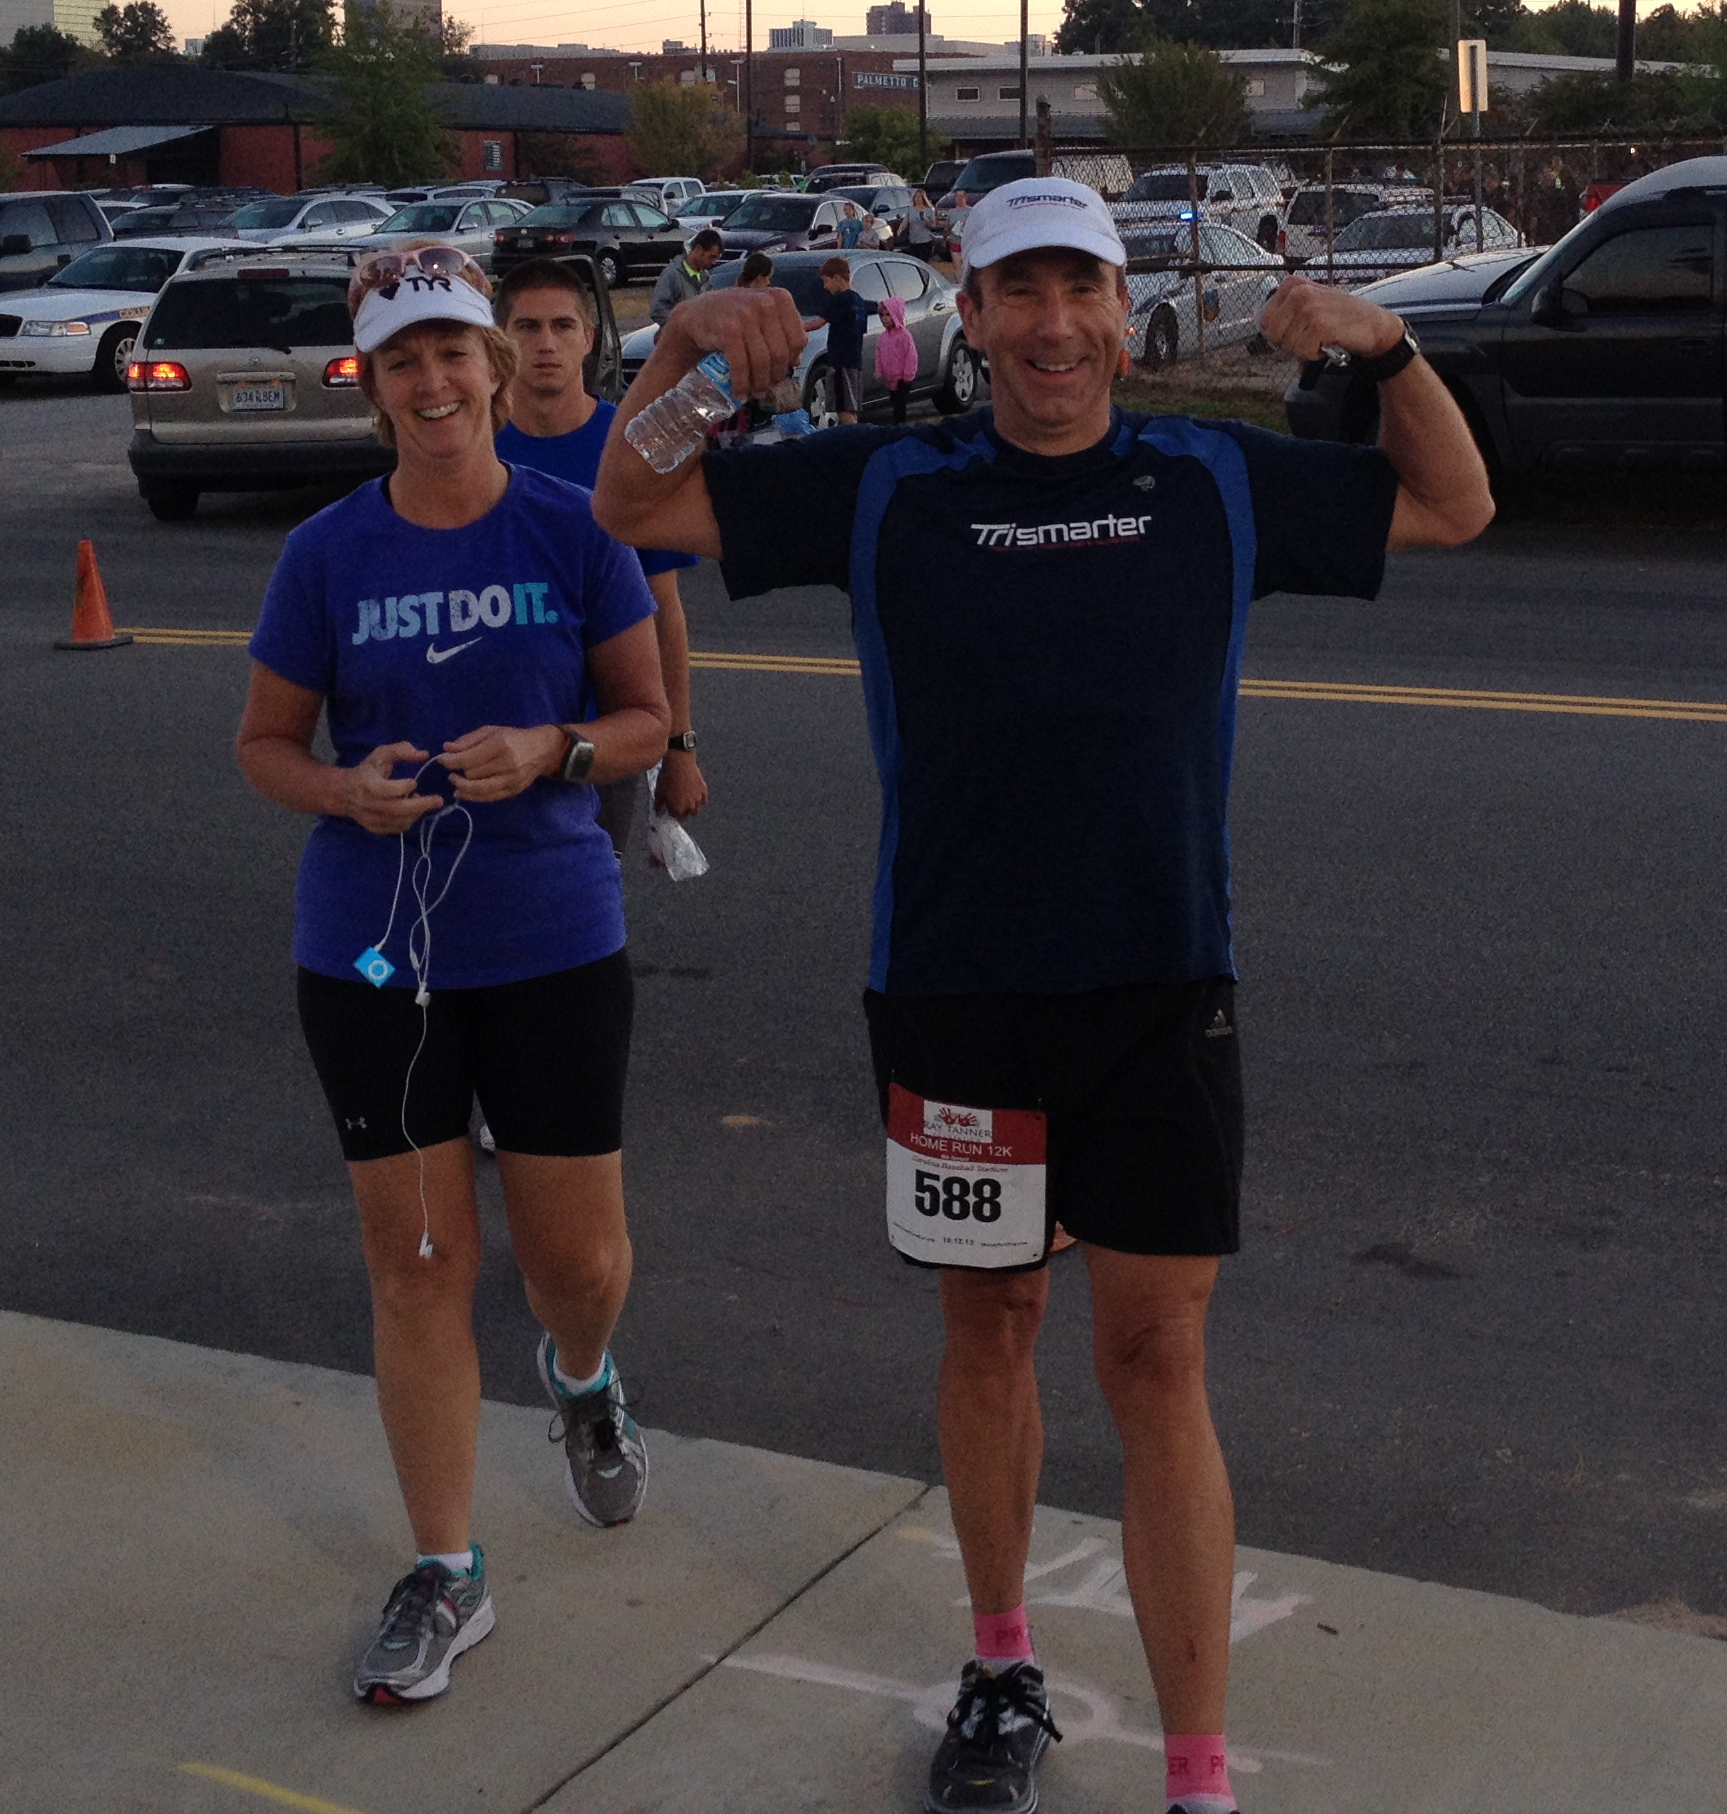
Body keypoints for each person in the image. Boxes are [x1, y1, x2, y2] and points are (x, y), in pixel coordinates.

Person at [594, 178, 1493, 1814]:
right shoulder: (890, 483)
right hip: (955, 992)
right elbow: (633, 504)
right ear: (976, 308)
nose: (1053, 324)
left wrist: (1386, 348)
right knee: (990, 1327)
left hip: (1160, 988)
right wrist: (686, 351)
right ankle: (1002, 1665)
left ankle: (1199, 1779)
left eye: (1081, 287)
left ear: (1120, 313)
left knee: (1156, 1360)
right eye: (1019, 290)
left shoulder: (1209, 478)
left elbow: (1453, 501)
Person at [236, 242, 673, 1709]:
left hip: (551, 939)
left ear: (496, 368)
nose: (431, 383)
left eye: (451, 354)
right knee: (418, 1267)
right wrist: (340, 790)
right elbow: (265, 744)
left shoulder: (575, 529)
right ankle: (446, 1567)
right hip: (377, 954)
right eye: (401, 361)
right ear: (373, 387)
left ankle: (584, 1378)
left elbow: (645, 716)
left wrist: (555, 748)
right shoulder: (328, 553)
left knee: (577, 1268)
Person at [495, 257, 708, 831]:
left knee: (591, 882)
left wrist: (679, 747)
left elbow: (664, 611)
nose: (546, 343)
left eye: (563, 326)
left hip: (601, 742)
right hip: (486, 734)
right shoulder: (472, 450)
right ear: (499, 341)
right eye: (527, 327)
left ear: (588, 338)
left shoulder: (631, 448)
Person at [812, 254, 870, 421]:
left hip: (839, 361)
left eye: (826, 281)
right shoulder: (858, 300)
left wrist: (795, 328)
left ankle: (851, 436)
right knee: (851, 407)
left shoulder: (839, 299)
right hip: (854, 361)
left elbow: (818, 323)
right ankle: (856, 433)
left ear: (837, 277)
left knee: (842, 407)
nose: (825, 287)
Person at [649, 227, 726, 323]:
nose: (714, 262)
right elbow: (657, 310)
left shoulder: (705, 277)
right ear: (698, 249)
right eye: (712, 257)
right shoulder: (672, 274)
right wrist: (684, 324)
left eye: (716, 258)